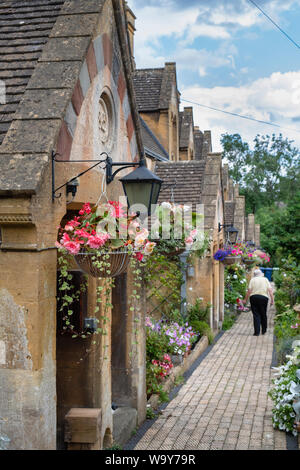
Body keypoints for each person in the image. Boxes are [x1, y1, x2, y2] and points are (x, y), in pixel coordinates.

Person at [243, 269, 274, 336]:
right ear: (261, 274)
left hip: (254, 297)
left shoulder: (252, 280)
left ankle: (256, 332)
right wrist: (272, 300)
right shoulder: (265, 279)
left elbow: (249, 291)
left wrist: (245, 299)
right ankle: (264, 330)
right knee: (263, 314)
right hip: (263, 298)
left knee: (256, 315)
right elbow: (270, 290)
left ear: (255, 275)